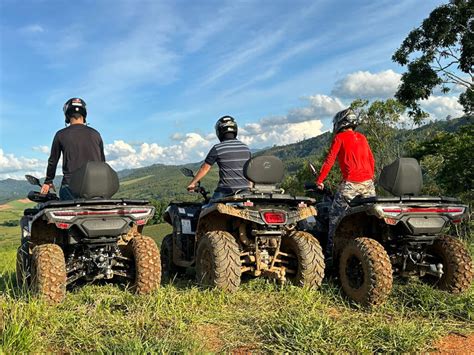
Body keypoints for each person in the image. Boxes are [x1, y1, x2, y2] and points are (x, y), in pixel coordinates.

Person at [316, 108, 375, 258]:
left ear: (341, 123)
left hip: (351, 184)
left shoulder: (340, 138)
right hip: (368, 184)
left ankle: (330, 255)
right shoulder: (362, 137)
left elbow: (330, 160)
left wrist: (320, 180)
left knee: (334, 218)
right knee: (370, 218)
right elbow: (371, 160)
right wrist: (370, 178)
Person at [40, 98, 106, 200]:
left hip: (70, 186)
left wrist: (48, 181)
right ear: (84, 114)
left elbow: (53, 160)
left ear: (67, 114)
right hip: (96, 187)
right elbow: (102, 162)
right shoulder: (95, 134)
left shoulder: (61, 134)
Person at [187, 115, 251, 200]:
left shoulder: (218, 148)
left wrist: (192, 183)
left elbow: (204, 168)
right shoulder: (245, 148)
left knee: (206, 210)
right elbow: (250, 171)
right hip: (245, 192)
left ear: (219, 131)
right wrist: (250, 188)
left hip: (226, 191)